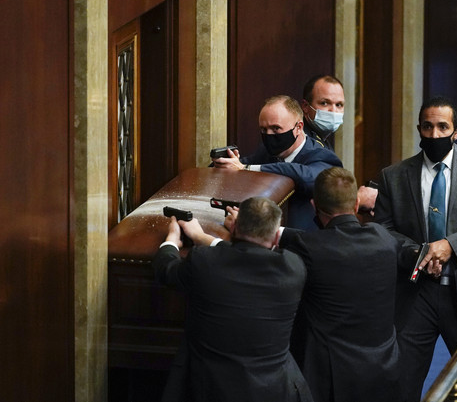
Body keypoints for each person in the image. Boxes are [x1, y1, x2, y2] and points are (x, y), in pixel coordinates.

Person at [373, 96, 457, 402]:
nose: (435, 135)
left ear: (456, 131)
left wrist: (450, 246)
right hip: (415, 294)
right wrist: (419, 253)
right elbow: (384, 231)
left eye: (442, 127)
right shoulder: (393, 176)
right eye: (428, 127)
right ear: (419, 129)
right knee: (400, 382)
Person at [226, 167, 401, 402]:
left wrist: (244, 225)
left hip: (332, 378)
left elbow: (285, 241)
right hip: (384, 370)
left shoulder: (309, 247)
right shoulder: (384, 238)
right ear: (357, 203)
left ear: (313, 204)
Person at [152, 196, 313, 402]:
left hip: (211, 387)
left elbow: (167, 271)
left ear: (234, 226)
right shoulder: (293, 267)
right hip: (276, 388)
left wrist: (172, 241)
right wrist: (203, 237)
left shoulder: (204, 262)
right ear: (274, 239)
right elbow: (247, 257)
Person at [212, 95, 342, 230]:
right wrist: (225, 162)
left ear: (298, 127)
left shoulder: (323, 156)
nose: (269, 135)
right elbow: (240, 164)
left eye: (276, 128)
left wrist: (246, 168)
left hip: (304, 241)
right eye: (263, 129)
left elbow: (307, 177)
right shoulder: (267, 152)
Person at [300, 74, 377, 215]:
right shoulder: (301, 141)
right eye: (324, 103)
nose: (333, 111)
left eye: (339, 105)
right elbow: (319, 187)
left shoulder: (321, 140)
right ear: (305, 106)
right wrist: (357, 198)